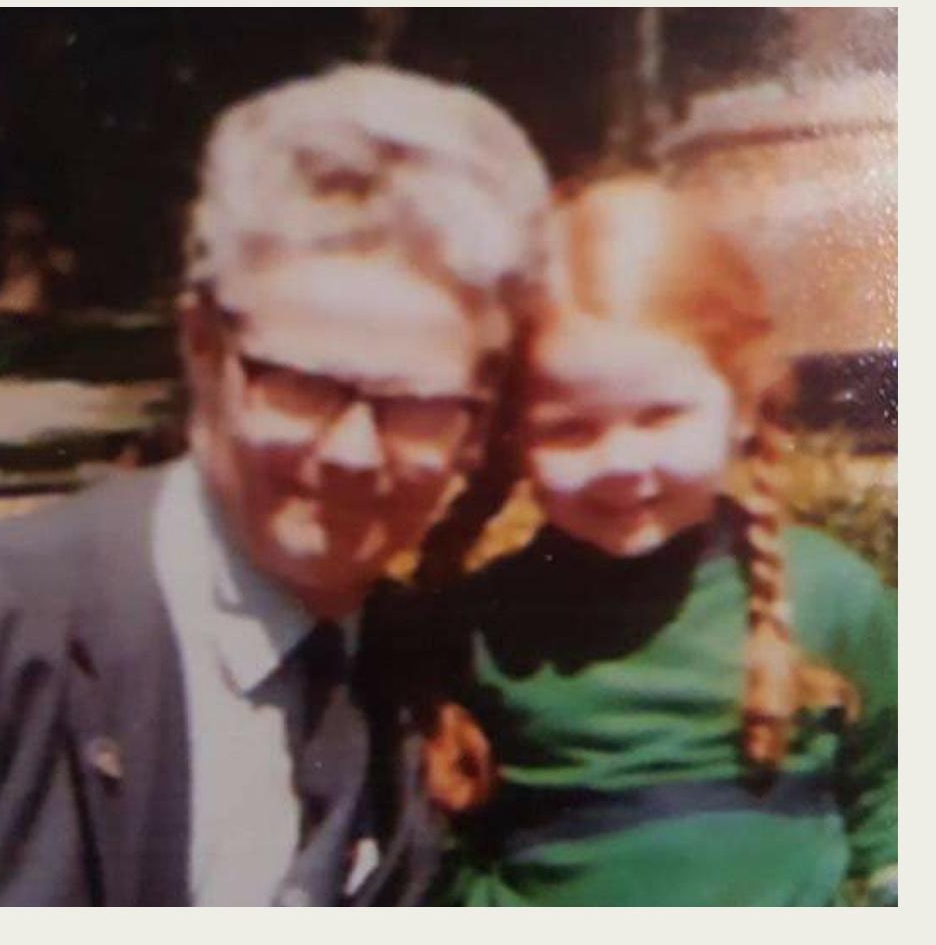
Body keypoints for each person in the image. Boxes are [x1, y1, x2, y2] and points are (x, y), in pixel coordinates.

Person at [0, 64, 550, 906]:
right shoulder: (10, 633)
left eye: (417, 403)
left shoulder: (418, 672)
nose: (356, 453)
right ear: (202, 350)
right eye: (303, 385)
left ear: (476, 424)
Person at [384, 177, 896, 906]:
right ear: (513, 436)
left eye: (660, 416)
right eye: (571, 429)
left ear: (745, 405)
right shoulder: (476, 634)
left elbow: (896, 799)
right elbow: (437, 858)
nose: (621, 461)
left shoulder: (832, 596)